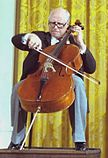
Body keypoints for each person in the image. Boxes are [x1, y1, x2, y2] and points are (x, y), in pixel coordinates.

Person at [8, 7, 96, 151]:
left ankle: (80, 140)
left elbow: (91, 68)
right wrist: (29, 37)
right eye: (52, 23)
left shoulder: (74, 43)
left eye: (59, 24)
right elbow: (16, 40)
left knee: (79, 83)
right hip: (38, 78)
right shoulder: (40, 37)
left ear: (67, 25)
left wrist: (81, 45)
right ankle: (16, 140)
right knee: (18, 87)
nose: (55, 27)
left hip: (63, 80)